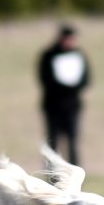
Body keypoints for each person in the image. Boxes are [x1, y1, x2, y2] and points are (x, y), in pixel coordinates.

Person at [37, 24, 90, 165]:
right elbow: (45, 79)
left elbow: (86, 79)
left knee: (73, 142)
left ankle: (75, 173)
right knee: (53, 142)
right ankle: (53, 177)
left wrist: (73, 87)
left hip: (72, 106)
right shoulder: (49, 55)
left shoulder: (79, 55)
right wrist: (65, 87)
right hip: (53, 106)